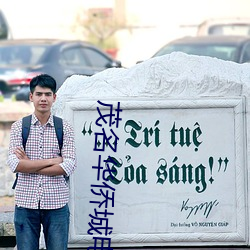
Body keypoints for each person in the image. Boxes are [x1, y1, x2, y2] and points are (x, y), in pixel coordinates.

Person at [7, 74, 77, 250]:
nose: (43, 99)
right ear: (31, 97)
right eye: (39, 94)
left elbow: (68, 165)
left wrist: (30, 165)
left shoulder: (64, 127)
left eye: (47, 94)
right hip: (25, 202)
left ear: (54, 97)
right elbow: (16, 164)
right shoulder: (19, 127)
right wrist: (54, 160)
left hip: (57, 203)